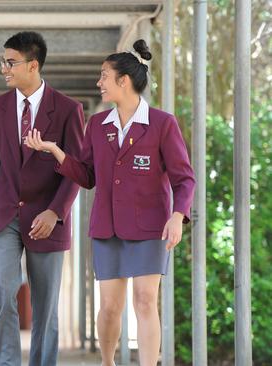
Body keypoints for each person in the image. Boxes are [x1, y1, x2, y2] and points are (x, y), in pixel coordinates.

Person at [24, 40, 195, 366]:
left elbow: (184, 178)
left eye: (104, 76)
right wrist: (56, 152)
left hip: (150, 227)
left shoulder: (162, 124)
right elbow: (87, 176)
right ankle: (107, 361)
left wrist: (177, 215)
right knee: (110, 307)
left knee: (145, 300)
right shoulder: (97, 126)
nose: (99, 83)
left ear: (123, 81)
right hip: (108, 227)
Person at [0, 31, 84, 366]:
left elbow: (76, 169)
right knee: (1, 292)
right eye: (3, 62)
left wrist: (56, 212)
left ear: (33, 65)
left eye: (10, 63)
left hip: (48, 219)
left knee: (45, 307)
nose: (4, 69)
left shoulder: (68, 109)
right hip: (3, 216)